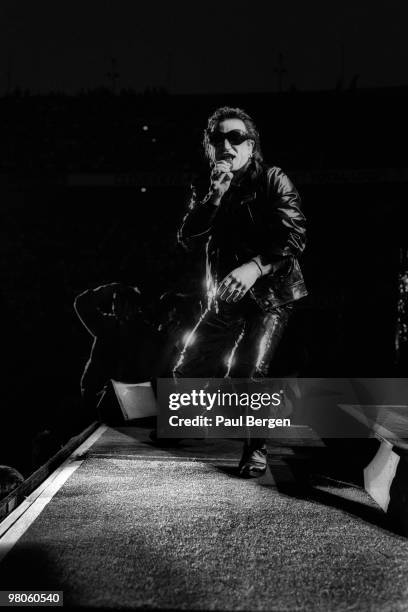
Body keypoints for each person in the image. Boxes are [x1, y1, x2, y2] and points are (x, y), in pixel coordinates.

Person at [173, 106, 307, 477]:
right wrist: (214, 197)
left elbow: (294, 237)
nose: (226, 145)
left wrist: (255, 267)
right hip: (227, 295)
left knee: (250, 370)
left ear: (251, 146)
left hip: (271, 293)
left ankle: (256, 447)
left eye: (235, 137)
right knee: (187, 369)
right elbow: (187, 238)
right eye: (217, 139)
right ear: (208, 147)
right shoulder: (206, 184)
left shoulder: (273, 179)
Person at [74, 282, 161, 420]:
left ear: (132, 307)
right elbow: (81, 303)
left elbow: (148, 371)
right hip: (96, 393)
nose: (114, 307)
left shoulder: (145, 334)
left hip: (126, 397)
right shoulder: (107, 325)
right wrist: (109, 289)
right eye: (114, 302)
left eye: (119, 302)